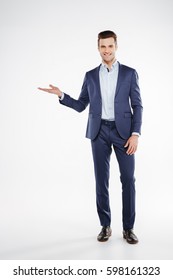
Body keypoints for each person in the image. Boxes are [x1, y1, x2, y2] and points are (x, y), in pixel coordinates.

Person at [38, 30, 143, 244]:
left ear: (116, 47)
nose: (107, 50)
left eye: (110, 46)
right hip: (99, 132)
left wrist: (135, 133)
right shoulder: (90, 75)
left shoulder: (129, 74)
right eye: (103, 46)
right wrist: (61, 95)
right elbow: (80, 105)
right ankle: (105, 225)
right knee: (101, 180)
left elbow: (137, 105)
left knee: (128, 180)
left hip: (124, 134)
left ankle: (128, 228)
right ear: (98, 48)